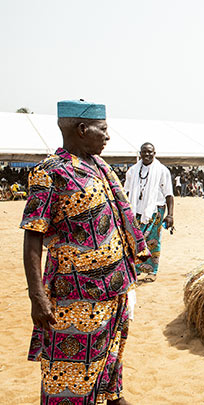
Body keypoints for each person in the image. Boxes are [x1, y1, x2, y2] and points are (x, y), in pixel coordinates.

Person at [20, 100, 149, 404]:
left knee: (110, 355)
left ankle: (112, 397)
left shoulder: (99, 166)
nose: (108, 136)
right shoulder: (51, 173)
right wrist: (36, 296)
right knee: (69, 370)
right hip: (74, 296)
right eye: (102, 130)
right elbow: (32, 237)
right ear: (81, 129)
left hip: (114, 288)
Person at [124, 142, 174, 282]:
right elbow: (126, 192)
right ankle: (139, 270)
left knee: (153, 240)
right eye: (144, 152)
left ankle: (152, 271)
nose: (147, 154)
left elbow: (169, 194)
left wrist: (170, 215)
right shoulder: (132, 171)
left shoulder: (162, 170)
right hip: (136, 210)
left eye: (150, 152)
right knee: (137, 240)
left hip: (156, 210)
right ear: (140, 153)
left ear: (154, 153)